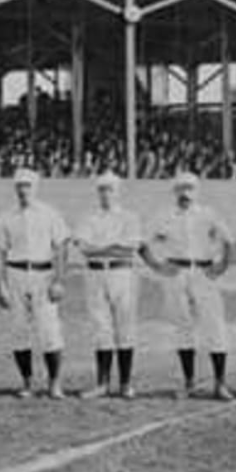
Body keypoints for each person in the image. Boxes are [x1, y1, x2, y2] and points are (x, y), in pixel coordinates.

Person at [146, 172, 236, 400]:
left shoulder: (209, 214)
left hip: (204, 273)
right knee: (183, 326)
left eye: (189, 189)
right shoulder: (164, 216)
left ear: (197, 191)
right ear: (174, 192)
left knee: (214, 325)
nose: (185, 194)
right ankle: (188, 382)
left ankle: (220, 383)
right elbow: (142, 242)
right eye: (180, 190)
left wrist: (222, 266)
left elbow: (228, 241)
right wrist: (156, 265)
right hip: (176, 272)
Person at [0, 168, 69, 399]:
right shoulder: (6, 216)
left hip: (43, 274)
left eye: (27, 186)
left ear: (35, 188)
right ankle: (27, 382)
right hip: (16, 272)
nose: (23, 190)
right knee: (18, 330)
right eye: (19, 186)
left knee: (49, 329)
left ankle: (54, 381)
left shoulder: (50, 214)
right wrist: (0, 285)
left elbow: (61, 248)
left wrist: (58, 280)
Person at [74, 171, 144, 399]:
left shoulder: (129, 217)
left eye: (110, 189)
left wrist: (100, 248)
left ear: (118, 192)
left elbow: (130, 248)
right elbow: (84, 248)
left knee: (125, 326)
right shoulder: (88, 218)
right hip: (95, 274)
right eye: (102, 190)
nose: (106, 194)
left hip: (121, 273)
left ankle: (125, 383)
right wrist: (113, 245)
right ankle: (102, 383)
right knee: (101, 327)